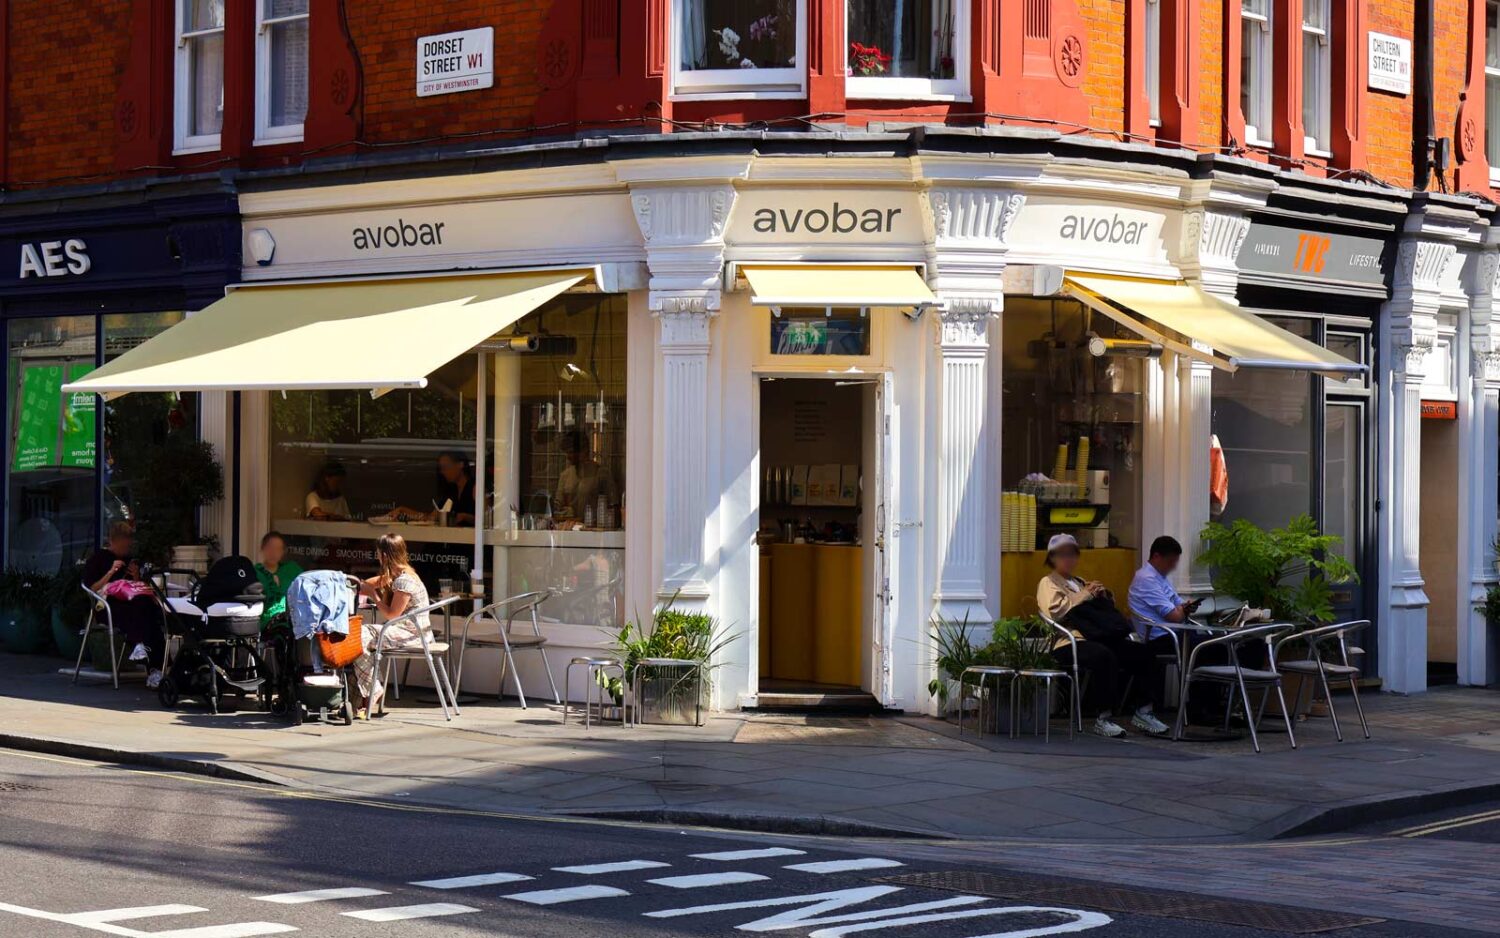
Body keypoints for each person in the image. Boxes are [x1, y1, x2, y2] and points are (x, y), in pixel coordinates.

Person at [1037, 533, 1170, 738]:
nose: (1068, 559)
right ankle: (1103, 717)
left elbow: (1100, 612)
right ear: (1052, 558)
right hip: (1068, 641)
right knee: (1103, 656)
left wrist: (1102, 595)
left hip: (1096, 636)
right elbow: (1056, 612)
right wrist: (1085, 594)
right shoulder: (1048, 582)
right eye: (1062, 555)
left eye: (1072, 554)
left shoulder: (1079, 581)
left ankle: (1144, 710)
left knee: (1143, 653)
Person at [352, 534, 434, 716]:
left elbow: (392, 614)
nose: (377, 557)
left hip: (412, 635)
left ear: (384, 555)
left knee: (357, 636)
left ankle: (372, 690)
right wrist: (360, 585)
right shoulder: (403, 573)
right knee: (361, 638)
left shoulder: (404, 580)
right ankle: (368, 692)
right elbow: (373, 582)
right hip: (411, 631)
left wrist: (374, 595)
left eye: (378, 553)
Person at [82, 522, 166, 688]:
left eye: (127, 546)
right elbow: (92, 588)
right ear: (112, 541)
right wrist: (111, 572)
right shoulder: (98, 559)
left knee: (150, 613)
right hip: (108, 606)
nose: (125, 550)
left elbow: (137, 587)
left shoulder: (129, 560)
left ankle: (142, 648)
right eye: (122, 546)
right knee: (147, 618)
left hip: (133, 604)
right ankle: (154, 668)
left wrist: (136, 576)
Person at [554, 431, 617, 525]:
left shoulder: (601, 474)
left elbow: (613, 507)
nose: (568, 456)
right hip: (569, 529)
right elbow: (557, 507)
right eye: (567, 452)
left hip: (594, 528)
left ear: (584, 450)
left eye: (571, 451)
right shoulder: (565, 476)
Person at [253, 531, 304, 622]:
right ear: (262, 549)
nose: (273, 553)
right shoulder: (255, 573)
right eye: (270, 548)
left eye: (278, 549)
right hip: (262, 624)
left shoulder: (290, 570)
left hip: (288, 624)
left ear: (283, 552)